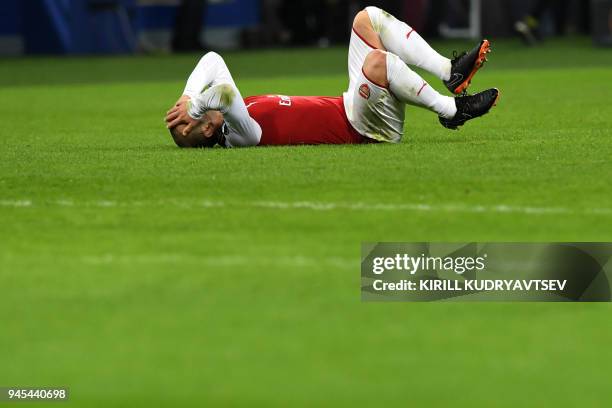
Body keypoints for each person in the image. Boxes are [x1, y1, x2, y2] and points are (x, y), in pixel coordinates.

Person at [165, 6, 499, 148]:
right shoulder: (240, 135)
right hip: (367, 129)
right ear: (206, 128)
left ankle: (448, 71)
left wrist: (188, 92)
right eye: (189, 119)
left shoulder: (227, 116)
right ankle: (452, 110)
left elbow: (213, 60)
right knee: (378, 63)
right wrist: (193, 104)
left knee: (367, 18)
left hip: (351, 105)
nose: (187, 110)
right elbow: (222, 91)